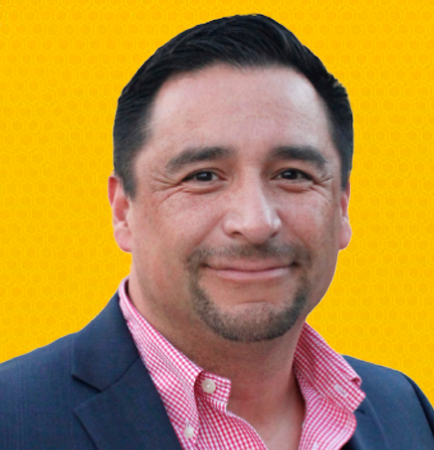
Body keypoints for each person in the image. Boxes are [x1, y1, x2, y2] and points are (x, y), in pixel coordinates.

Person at [0, 14, 433, 450]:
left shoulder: (404, 411)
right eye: (203, 176)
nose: (256, 223)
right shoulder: (11, 419)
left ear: (341, 207)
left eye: (292, 174)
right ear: (123, 211)